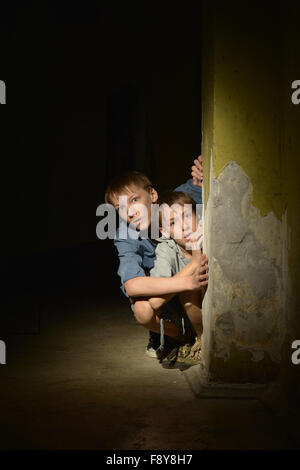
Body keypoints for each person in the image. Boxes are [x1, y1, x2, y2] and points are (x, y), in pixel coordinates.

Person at [104, 156, 209, 358]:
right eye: (122, 209)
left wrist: (202, 168)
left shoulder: (175, 201)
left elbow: (200, 179)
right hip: (168, 290)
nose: (132, 211)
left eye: (135, 200)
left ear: (152, 195)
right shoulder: (125, 234)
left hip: (197, 281)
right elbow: (132, 286)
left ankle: (200, 334)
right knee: (142, 309)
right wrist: (186, 281)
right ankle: (177, 336)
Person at [148, 190, 206, 366]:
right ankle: (202, 339)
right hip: (187, 319)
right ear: (165, 232)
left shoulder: (212, 239)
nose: (184, 226)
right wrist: (195, 259)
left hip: (218, 311)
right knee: (188, 290)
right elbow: (155, 302)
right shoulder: (166, 250)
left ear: (200, 218)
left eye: (187, 216)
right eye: (173, 222)